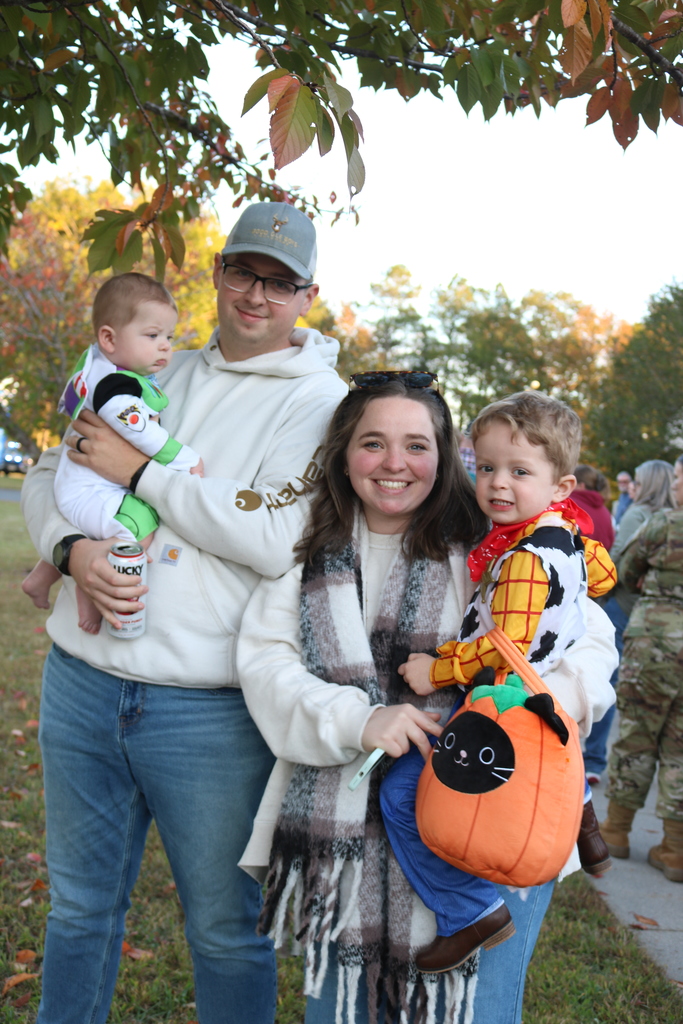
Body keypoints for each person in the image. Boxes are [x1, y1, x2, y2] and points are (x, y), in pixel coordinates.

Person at [20, 201, 348, 1024]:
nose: (256, 295)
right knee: (79, 913)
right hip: (83, 686)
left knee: (225, 933)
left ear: (308, 295)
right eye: (243, 271)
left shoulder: (319, 403)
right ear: (217, 271)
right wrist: (72, 551)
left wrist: (142, 474)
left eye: (281, 282)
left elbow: (273, 538)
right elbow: (50, 472)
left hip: (208, 713)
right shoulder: (156, 366)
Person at [236, 375, 618, 1024]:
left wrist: (534, 704)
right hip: (345, 824)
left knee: (478, 1010)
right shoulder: (307, 549)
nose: (393, 463)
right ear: (342, 451)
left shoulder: (499, 538)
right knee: (344, 1012)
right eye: (372, 443)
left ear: (444, 456)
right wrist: (358, 720)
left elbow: (592, 640)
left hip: (492, 805)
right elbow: (267, 664)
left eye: (415, 445)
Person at [386, 391, 616, 973]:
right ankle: (584, 819)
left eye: (519, 471)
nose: (496, 484)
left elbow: (499, 646)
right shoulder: (561, 534)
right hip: (542, 700)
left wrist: (430, 669)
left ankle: (470, 912)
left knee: (399, 794)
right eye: (485, 467)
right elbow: (605, 577)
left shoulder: (520, 558)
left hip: (502, 703)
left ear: (560, 485)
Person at [22, 273, 204, 634]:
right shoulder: (114, 390)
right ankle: (90, 593)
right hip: (90, 493)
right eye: (153, 336)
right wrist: (187, 461)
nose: (166, 346)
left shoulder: (102, 368)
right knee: (139, 527)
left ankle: (42, 575)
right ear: (109, 337)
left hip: (85, 487)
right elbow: (146, 436)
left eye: (168, 336)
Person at [600, 454, 683, 883]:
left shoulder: (663, 524)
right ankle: (674, 849)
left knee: (636, 737)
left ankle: (614, 830)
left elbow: (623, 573)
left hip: (654, 641)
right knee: (680, 748)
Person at [583, 460, 674, 784]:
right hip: (660, 618)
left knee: (607, 683)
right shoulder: (672, 518)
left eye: (637, 480)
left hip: (624, 609)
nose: (632, 485)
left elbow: (617, 565)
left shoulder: (637, 514)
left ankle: (592, 758)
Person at [571, 464, 615, 551]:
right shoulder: (605, 511)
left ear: (581, 485)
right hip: (599, 562)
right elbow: (610, 541)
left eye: (571, 482)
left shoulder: (569, 505)